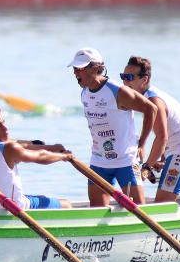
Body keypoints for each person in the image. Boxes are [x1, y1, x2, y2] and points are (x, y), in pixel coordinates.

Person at [68, 47, 159, 207]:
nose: (76, 73)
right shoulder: (84, 93)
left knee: (139, 210)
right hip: (99, 161)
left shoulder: (118, 92)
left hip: (126, 161)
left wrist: (142, 144)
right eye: (75, 68)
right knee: (96, 211)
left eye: (80, 68)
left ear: (96, 69)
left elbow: (151, 109)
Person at [121, 56, 180, 205]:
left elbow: (161, 137)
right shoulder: (150, 96)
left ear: (144, 79)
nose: (125, 82)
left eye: (129, 77)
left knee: (161, 208)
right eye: (123, 77)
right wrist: (163, 158)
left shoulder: (154, 101)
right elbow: (169, 134)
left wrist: (147, 166)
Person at [0, 105, 73, 209]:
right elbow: (40, 157)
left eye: (4, 122)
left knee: (42, 197)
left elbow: (18, 145)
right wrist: (63, 156)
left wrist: (51, 147)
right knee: (67, 204)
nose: (6, 128)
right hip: (15, 207)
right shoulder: (9, 148)